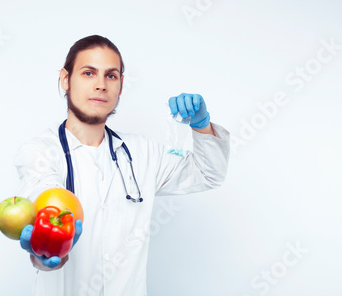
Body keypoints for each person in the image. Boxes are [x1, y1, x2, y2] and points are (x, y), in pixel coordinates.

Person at [13, 35, 231, 295]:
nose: (101, 85)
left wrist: (201, 124)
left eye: (111, 76)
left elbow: (209, 174)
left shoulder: (143, 153)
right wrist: (45, 255)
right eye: (88, 73)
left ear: (121, 84)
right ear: (65, 79)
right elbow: (46, 210)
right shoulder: (41, 152)